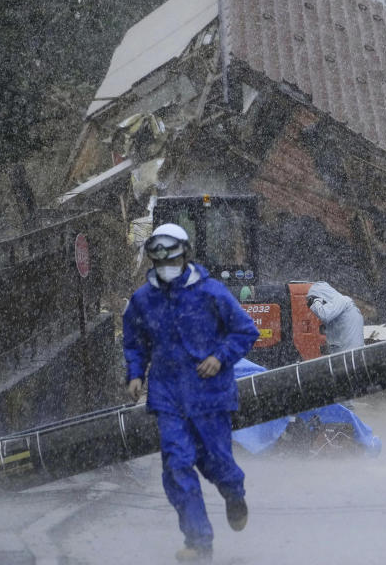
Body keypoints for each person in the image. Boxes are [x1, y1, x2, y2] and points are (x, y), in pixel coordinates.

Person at [123, 223, 260, 562]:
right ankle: (198, 542)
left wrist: (219, 357)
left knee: (216, 462)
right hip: (168, 397)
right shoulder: (142, 301)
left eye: (171, 258)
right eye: (158, 261)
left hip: (210, 396)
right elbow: (135, 342)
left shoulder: (212, 293)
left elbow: (245, 331)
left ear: (185, 254)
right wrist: (135, 374)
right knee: (176, 464)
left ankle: (233, 493)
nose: (165, 267)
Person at [307, 281, 365, 354]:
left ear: (322, 295)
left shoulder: (340, 300)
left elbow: (324, 315)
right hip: (348, 351)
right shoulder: (339, 304)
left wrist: (316, 301)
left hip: (348, 352)